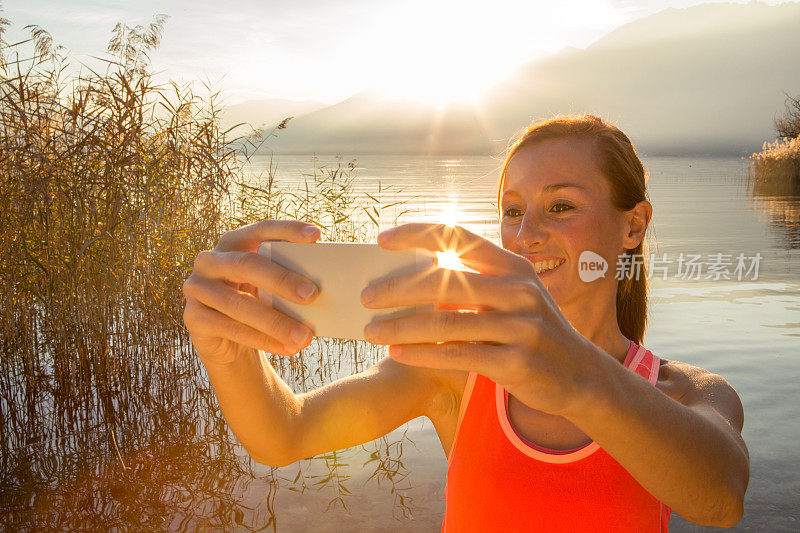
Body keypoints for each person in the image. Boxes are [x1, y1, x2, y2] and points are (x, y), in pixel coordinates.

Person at [182, 114, 749, 531]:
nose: (525, 235)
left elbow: (721, 497)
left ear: (633, 227)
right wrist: (228, 353)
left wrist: (580, 378)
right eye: (511, 210)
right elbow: (287, 434)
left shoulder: (681, 394)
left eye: (561, 206)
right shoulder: (459, 367)